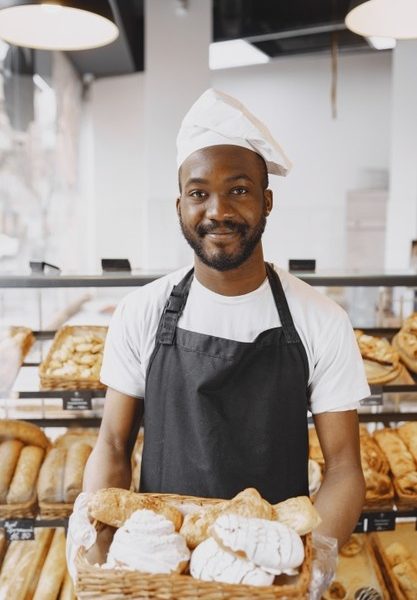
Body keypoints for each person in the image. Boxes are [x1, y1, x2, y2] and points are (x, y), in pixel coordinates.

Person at [73, 89, 369, 596]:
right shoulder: (142, 311)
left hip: (273, 574)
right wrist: (95, 534)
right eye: (198, 193)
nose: (217, 210)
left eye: (238, 190)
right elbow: (114, 445)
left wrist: (316, 552)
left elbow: (344, 467)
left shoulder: (320, 319)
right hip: (161, 570)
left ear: (266, 200)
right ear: (180, 204)